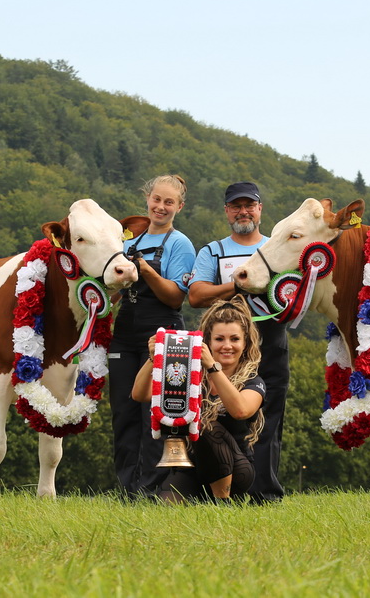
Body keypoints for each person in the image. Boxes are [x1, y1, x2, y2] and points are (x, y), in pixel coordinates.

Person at [187, 181, 288, 504]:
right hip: (226, 348)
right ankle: (219, 491)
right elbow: (196, 294)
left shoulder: (277, 247)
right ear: (227, 211)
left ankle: (265, 494)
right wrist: (236, 285)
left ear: (260, 209)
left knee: (269, 420)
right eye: (236, 206)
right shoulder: (213, 251)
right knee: (217, 419)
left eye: (250, 205)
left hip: (271, 340)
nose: (243, 211)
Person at [109, 174, 196, 498]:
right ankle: (126, 489)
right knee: (123, 410)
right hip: (124, 333)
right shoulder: (126, 243)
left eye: (168, 202)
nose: (160, 207)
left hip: (164, 334)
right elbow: (115, 293)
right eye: (156, 199)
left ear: (179, 207)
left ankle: (150, 489)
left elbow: (175, 296)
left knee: (154, 414)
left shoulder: (179, 244)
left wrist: (144, 269)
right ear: (147, 199)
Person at [131, 296, 264, 502]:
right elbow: (140, 394)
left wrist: (212, 367)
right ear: (208, 342)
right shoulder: (191, 375)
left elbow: (240, 411)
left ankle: (223, 501)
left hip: (237, 471)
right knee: (167, 508)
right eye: (219, 339)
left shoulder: (253, 380)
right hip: (193, 467)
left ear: (245, 344)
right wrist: (153, 357)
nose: (227, 346)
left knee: (203, 423)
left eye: (235, 339)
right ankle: (205, 497)